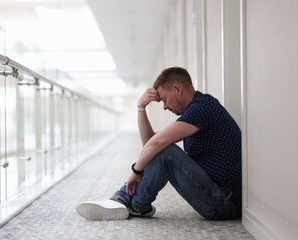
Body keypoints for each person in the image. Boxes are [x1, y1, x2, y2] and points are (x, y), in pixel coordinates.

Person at [76, 67, 241, 221]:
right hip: (215, 196)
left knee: (166, 150)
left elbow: (158, 143)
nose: (165, 106)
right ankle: (128, 200)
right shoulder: (197, 109)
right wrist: (141, 108)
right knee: (162, 148)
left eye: (164, 100)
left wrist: (136, 171)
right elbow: (150, 144)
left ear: (177, 89)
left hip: (223, 203)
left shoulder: (203, 107)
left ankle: (132, 202)